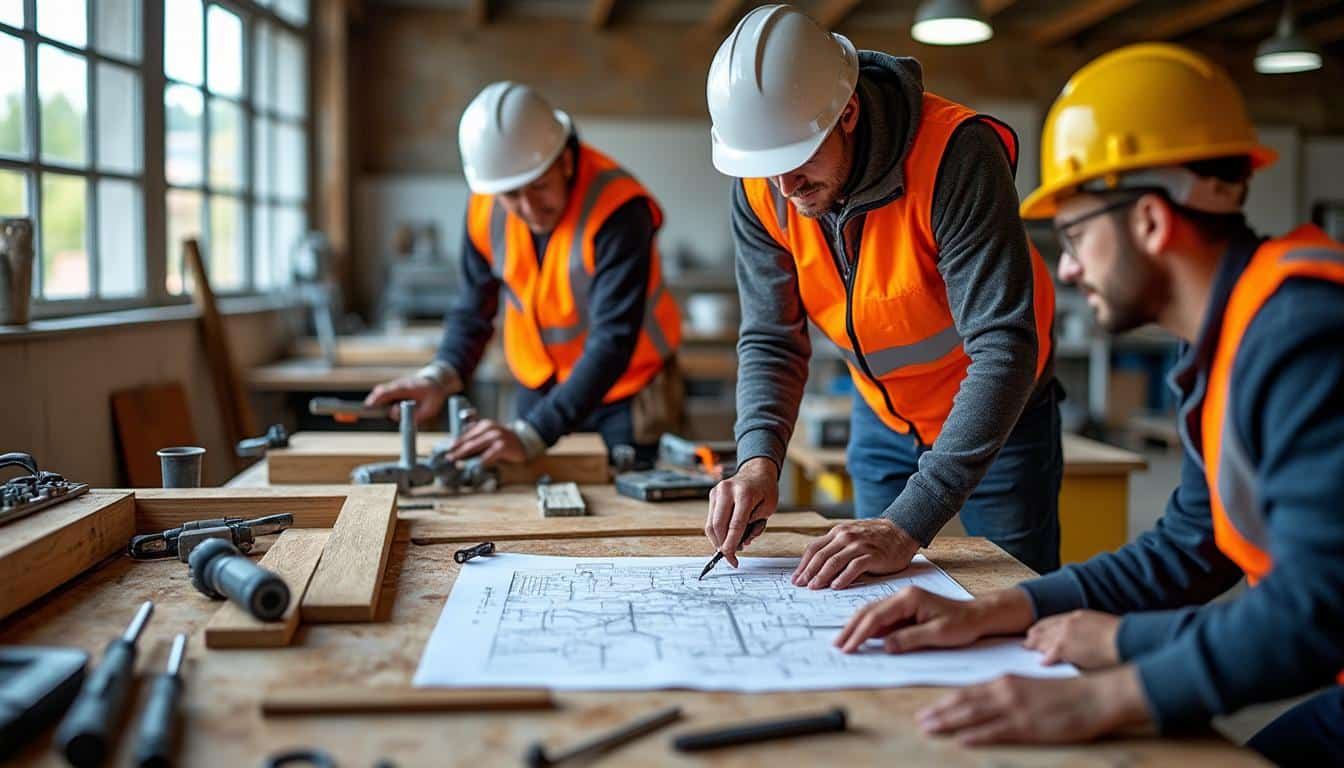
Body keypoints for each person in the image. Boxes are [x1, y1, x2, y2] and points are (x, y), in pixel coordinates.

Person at [834, 43, 1344, 763]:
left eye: (1074, 235)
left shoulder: (1303, 336)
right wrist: (1001, 610)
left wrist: (1109, 683)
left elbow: (1313, 612)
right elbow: (1192, 547)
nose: (1067, 269)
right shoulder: (1231, 336)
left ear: (1150, 222)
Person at [702, 4, 1061, 580]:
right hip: (883, 416)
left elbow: (1002, 349)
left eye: (796, 159)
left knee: (1017, 596)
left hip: (1000, 417)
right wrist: (757, 459)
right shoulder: (764, 186)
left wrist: (907, 524)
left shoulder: (955, 156)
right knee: (870, 591)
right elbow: (772, 338)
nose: (785, 187)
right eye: (767, 168)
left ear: (847, 112)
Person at [367, 82, 683, 467]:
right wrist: (440, 375)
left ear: (565, 161)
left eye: (540, 187)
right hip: (540, 384)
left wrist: (533, 432)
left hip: (628, 393)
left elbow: (612, 341)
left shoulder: (618, 209)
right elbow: (473, 308)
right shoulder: (485, 207)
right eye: (513, 195)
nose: (530, 209)